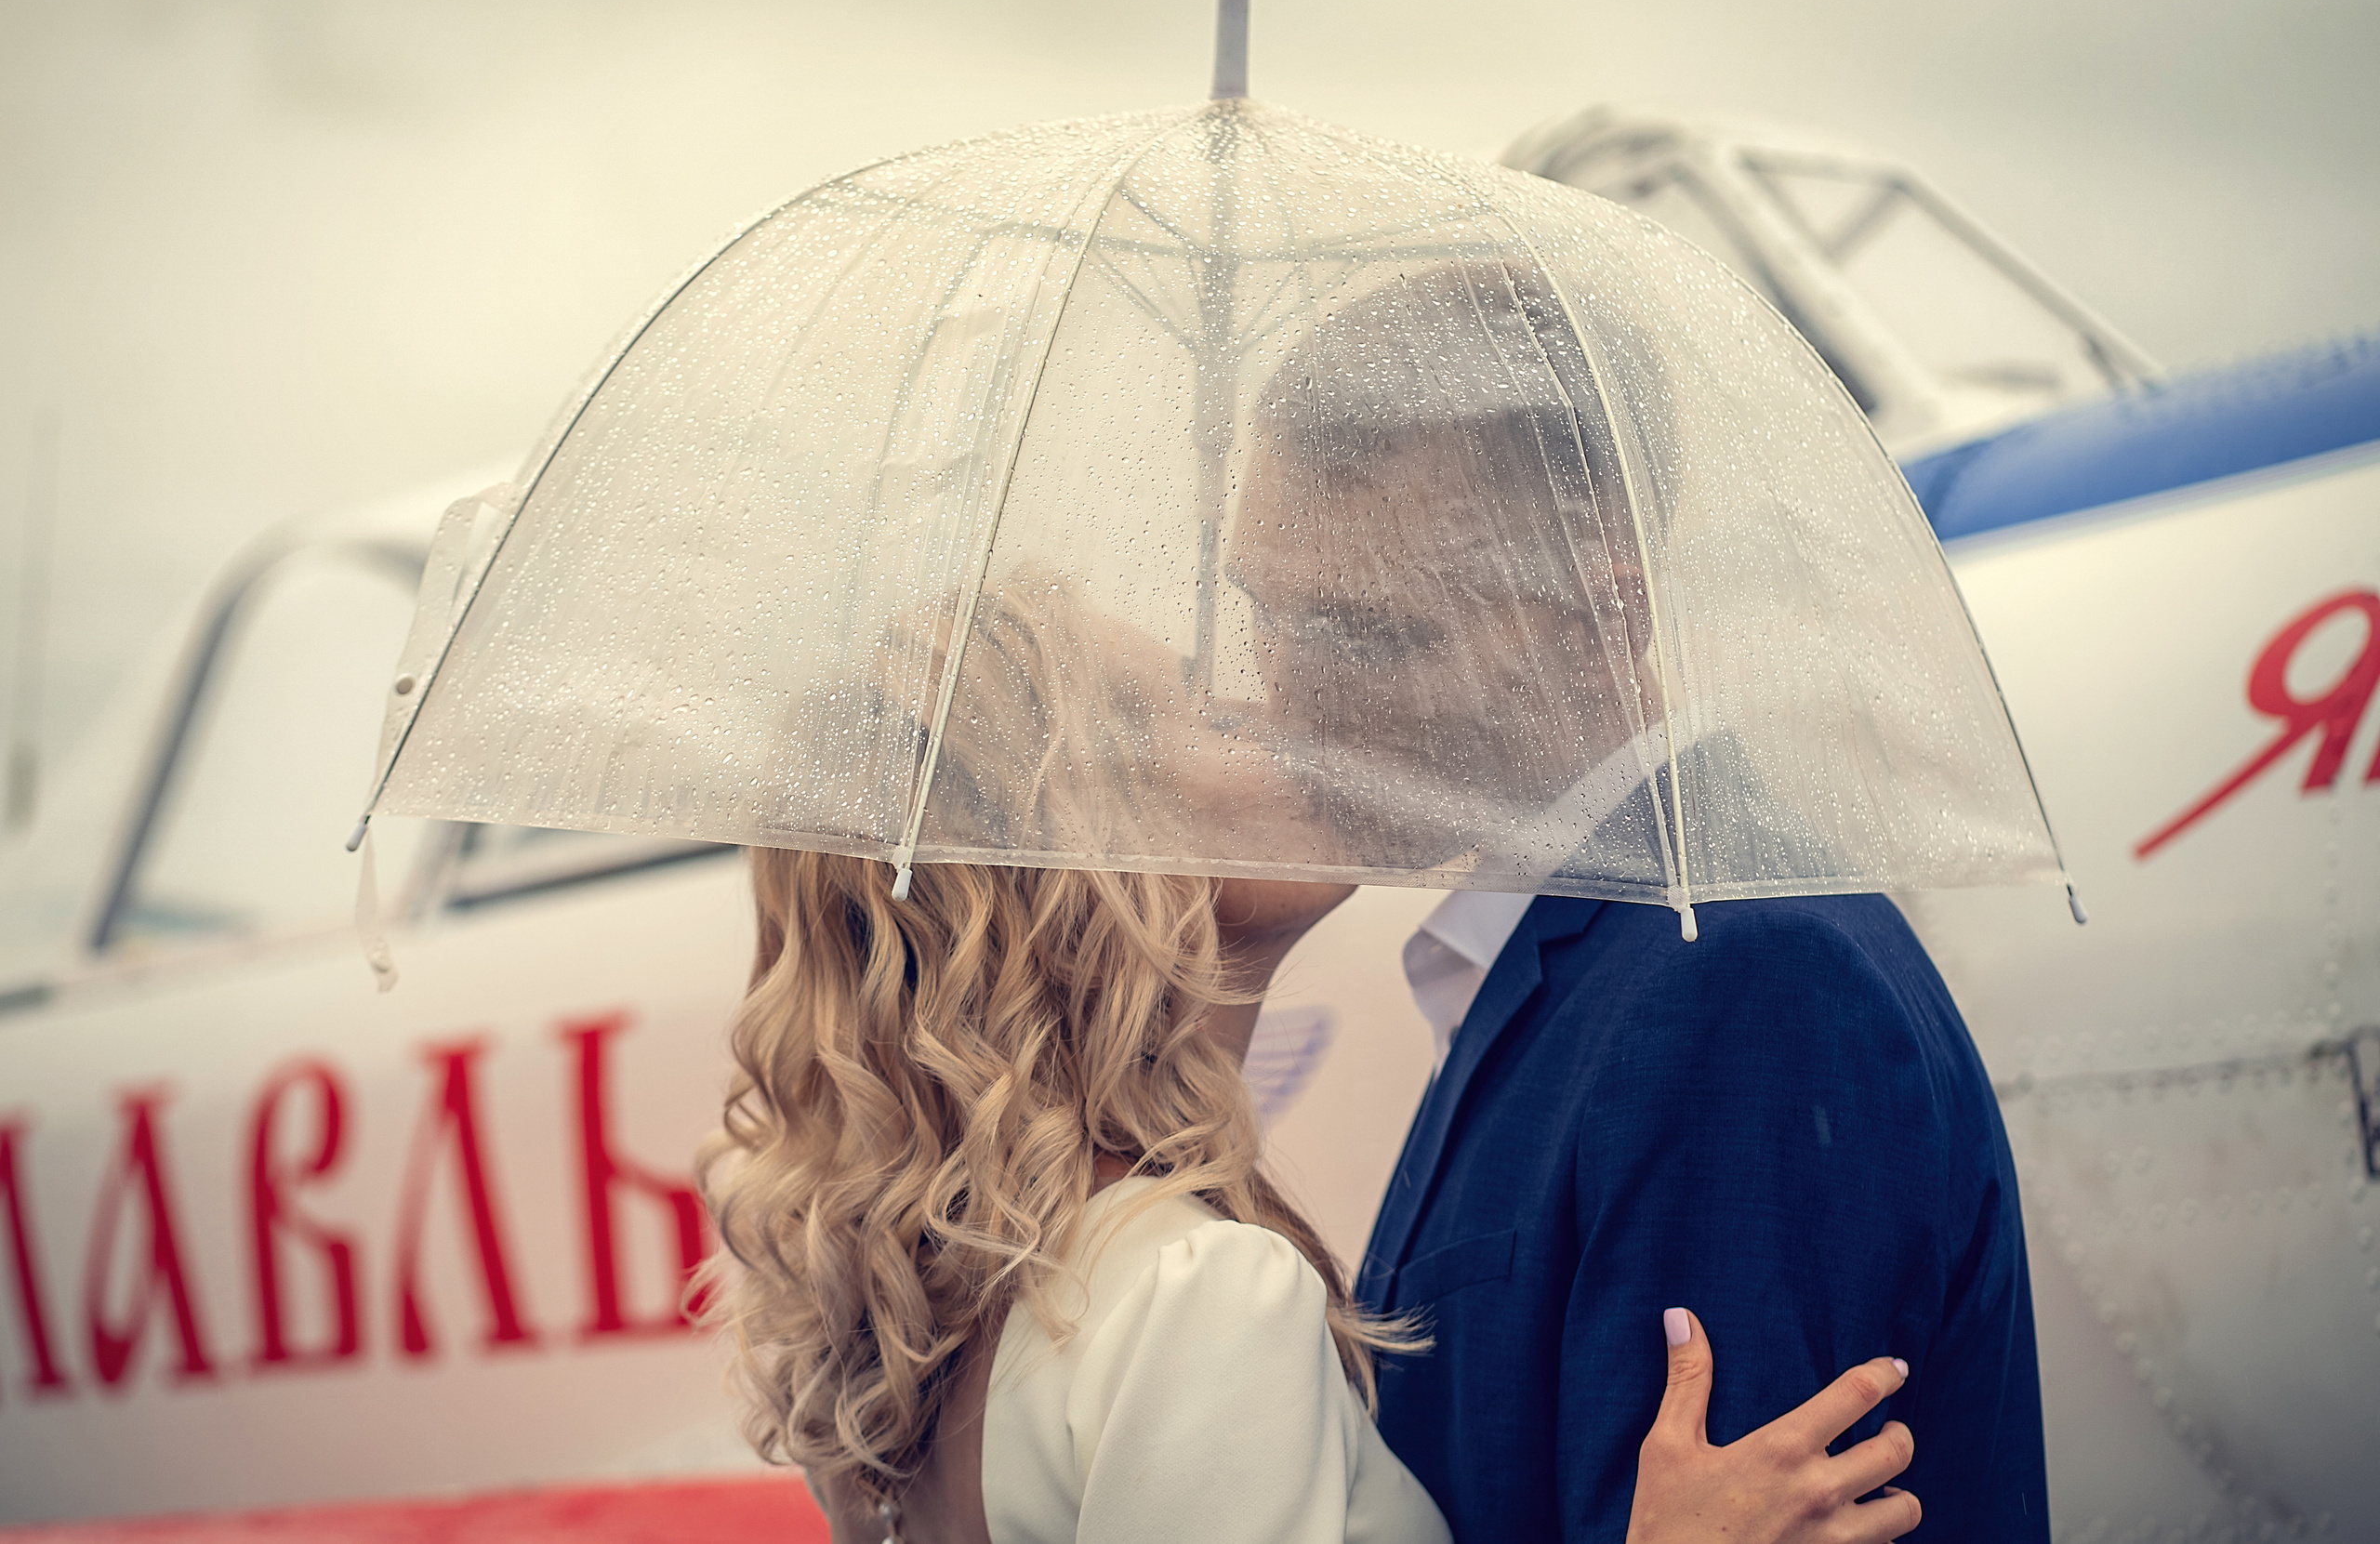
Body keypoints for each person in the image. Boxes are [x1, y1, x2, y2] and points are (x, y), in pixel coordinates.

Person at [697, 585, 1924, 1544]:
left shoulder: (947, 1319)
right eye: (1199, 708)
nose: (1274, 712)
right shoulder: (1197, 1295)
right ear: (1091, 848)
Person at [1228, 262, 2049, 1540]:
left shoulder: (1742, 988)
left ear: (1602, 603)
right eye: (1263, 615)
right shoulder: (1600, 958)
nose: (1285, 702)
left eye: (1370, 635)